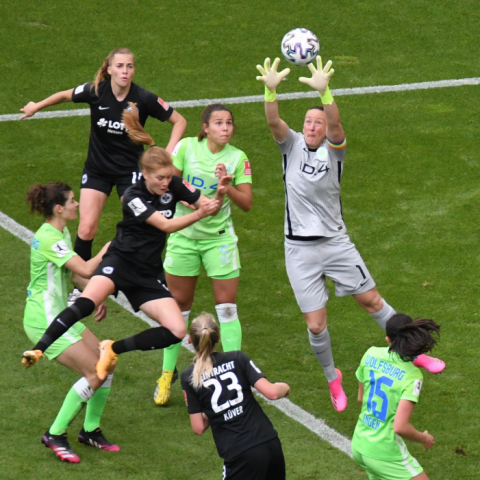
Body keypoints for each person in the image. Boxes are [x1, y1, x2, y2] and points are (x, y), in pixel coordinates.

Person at [256, 57, 445, 412]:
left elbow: (338, 123)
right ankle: (333, 378)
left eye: (318, 122)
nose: (312, 126)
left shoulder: (334, 150)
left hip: (335, 244)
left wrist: (325, 92)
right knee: (315, 326)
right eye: (308, 121)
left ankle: (413, 352)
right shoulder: (290, 145)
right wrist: (270, 89)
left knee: (372, 302)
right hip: (299, 251)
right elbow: (272, 120)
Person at [23, 123, 231, 386]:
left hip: (147, 272)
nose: (166, 183)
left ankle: (113, 348)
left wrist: (220, 196)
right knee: (86, 303)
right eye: (160, 178)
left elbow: (209, 207)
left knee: (177, 330)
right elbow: (165, 225)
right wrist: (199, 213)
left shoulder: (174, 185)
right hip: (119, 261)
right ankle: (39, 348)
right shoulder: (133, 195)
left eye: (169, 177)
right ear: (145, 174)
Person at [20, 47, 187, 301]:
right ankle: (77, 288)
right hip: (97, 170)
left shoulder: (143, 98)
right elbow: (65, 95)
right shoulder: (96, 90)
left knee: (139, 222)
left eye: (129, 66)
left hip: (129, 173)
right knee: (86, 229)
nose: (125, 71)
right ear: (109, 69)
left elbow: (180, 121)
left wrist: (168, 154)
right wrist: (37, 105)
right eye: (119, 66)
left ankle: (144, 276)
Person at [123, 102, 253, 406]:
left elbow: (246, 203)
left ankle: (232, 375)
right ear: (205, 127)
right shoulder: (186, 148)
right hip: (183, 238)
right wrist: (198, 203)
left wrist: (227, 187)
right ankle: (166, 376)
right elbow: (170, 185)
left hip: (218, 240)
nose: (225, 128)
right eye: (218, 123)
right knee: (178, 308)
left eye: (229, 123)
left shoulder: (237, 158)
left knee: (227, 310)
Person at [22, 182, 117, 463]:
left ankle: (90, 430)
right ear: (59, 208)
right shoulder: (51, 238)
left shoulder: (59, 231)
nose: (78, 204)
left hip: (60, 314)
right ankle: (55, 434)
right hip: (45, 320)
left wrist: (95, 296)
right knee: (96, 372)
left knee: (108, 360)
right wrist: (109, 249)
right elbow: (87, 267)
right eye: (73, 201)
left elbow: (76, 276)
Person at [181, 313, 290, 480]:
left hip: (240, 455)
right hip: (270, 443)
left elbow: (198, 427)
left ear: (190, 339)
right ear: (217, 338)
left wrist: (214, 409)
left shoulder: (190, 376)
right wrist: (285, 387)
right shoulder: (238, 358)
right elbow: (272, 392)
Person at [352, 314, 439, 480]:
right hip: (385, 452)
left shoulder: (370, 353)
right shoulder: (412, 375)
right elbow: (400, 427)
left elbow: (360, 398)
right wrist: (424, 438)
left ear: (387, 339)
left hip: (359, 444)